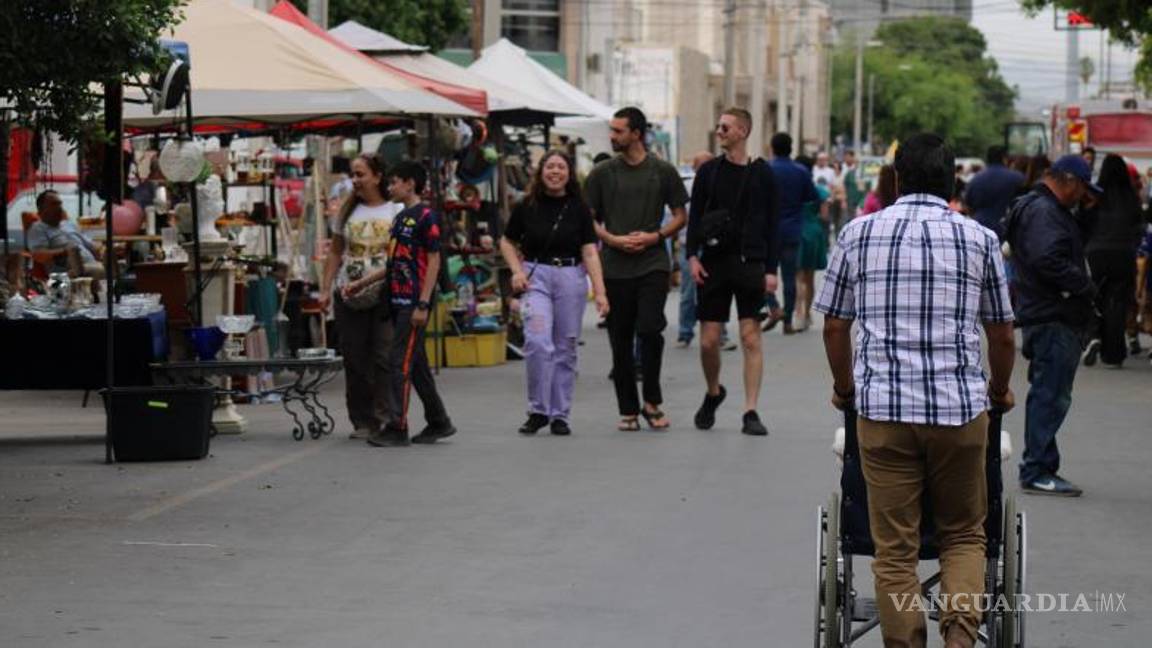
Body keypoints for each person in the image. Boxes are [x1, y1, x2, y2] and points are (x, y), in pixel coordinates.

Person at [816, 133, 1016, 648]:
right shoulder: (980, 239)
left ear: (898, 179)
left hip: (882, 413)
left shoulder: (858, 234)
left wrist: (844, 389)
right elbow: (1000, 332)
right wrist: (1002, 391)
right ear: (952, 180)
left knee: (895, 552)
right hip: (960, 413)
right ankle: (959, 639)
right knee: (965, 535)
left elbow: (835, 327)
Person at [1003, 154, 1103, 496]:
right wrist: (1083, 285)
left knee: (1049, 392)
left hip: (1044, 311)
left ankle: (1040, 465)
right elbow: (1048, 258)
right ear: (1070, 181)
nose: (1083, 197)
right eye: (1083, 189)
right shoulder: (1044, 212)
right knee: (1050, 394)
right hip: (1053, 313)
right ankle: (1037, 469)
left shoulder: (1037, 208)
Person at [585, 107, 689, 431]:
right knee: (620, 338)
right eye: (612, 131)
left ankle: (652, 401)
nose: (613, 137)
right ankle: (628, 408)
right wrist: (612, 239)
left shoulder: (662, 171)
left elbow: (680, 216)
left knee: (649, 330)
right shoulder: (602, 173)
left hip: (653, 262)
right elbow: (588, 220)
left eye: (618, 131)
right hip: (614, 267)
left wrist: (655, 236)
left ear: (637, 134)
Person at [344, 161, 455, 447]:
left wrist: (422, 303)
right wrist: (362, 282)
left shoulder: (427, 216)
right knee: (415, 365)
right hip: (396, 301)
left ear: (410, 184)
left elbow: (434, 261)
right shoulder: (401, 218)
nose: (390, 187)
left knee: (398, 364)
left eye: (394, 182)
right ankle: (439, 421)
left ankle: (397, 426)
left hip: (413, 303)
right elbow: (395, 263)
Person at [499, 150, 610, 436]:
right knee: (537, 341)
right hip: (537, 278)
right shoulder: (526, 206)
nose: (555, 172)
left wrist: (600, 292)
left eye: (561, 167)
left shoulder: (580, 209)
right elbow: (507, 242)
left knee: (566, 347)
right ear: (541, 171)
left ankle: (560, 414)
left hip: (571, 279)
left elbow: (590, 252)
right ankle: (538, 409)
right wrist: (517, 271)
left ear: (569, 174)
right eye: (550, 167)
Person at [685, 108, 779, 436]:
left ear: (742, 131)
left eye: (725, 127)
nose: (719, 131)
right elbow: (694, 217)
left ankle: (750, 410)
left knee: (750, 337)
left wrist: (771, 270)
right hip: (712, 262)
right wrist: (692, 257)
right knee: (709, 341)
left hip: (749, 263)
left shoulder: (762, 174)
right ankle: (714, 392)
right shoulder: (708, 171)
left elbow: (772, 225)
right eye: (718, 126)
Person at [319, 154, 402, 440]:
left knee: (383, 355)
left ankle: (386, 415)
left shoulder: (396, 210)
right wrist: (325, 289)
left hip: (386, 295)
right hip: (349, 293)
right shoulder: (346, 212)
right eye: (353, 174)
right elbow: (335, 252)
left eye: (360, 174)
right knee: (355, 358)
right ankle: (362, 420)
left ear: (377, 176)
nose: (355, 180)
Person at [1081, 154, 1145, 368]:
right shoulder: (1132, 198)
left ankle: (1093, 336)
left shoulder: (1095, 196)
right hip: (1124, 252)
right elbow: (1140, 227)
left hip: (1096, 252)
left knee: (1095, 296)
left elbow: (1084, 222)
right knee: (1118, 301)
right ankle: (1114, 353)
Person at [763, 132, 819, 334]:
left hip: (768, 231)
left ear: (772, 147)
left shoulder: (766, 169)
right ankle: (787, 320)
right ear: (791, 147)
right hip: (793, 230)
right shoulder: (801, 171)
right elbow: (810, 197)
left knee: (760, 273)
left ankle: (773, 306)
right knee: (789, 276)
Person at [26, 190, 105, 279]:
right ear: (41, 209)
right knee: (105, 271)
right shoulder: (38, 228)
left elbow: (93, 246)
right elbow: (38, 254)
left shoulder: (68, 224)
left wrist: (102, 250)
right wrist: (64, 251)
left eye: (60, 204)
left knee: (117, 266)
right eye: (54, 204)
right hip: (69, 273)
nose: (59, 208)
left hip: (92, 265)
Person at [964, 145, 1024, 240]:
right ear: (1004, 158)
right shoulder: (1017, 178)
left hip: (980, 229)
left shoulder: (975, 179)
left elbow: (968, 206)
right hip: (1007, 232)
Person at [796, 172, 831, 332]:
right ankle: (807, 314)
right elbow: (824, 215)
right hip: (813, 232)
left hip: (796, 230)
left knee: (797, 277)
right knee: (809, 278)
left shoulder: (795, 189)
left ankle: (798, 312)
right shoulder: (820, 191)